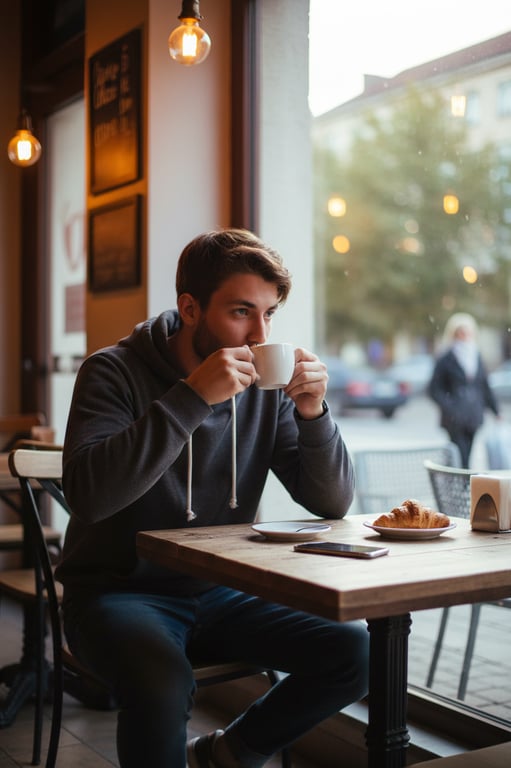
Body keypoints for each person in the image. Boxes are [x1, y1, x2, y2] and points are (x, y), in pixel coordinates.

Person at [55, 228, 369, 768]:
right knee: (160, 682)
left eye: (269, 315)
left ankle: (230, 753)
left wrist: (315, 414)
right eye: (242, 312)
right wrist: (193, 396)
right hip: (115, 592)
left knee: (356, 649)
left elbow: (332, 501)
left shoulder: (263, 394)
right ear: (190, 308)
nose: (258, 334)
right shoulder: (112, 371)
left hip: (223, 589)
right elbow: (89, 497)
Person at [428, 312, 500, 468]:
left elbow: (484, 386)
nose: (464, 335)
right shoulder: (446, 358)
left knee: (468, 454)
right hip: (454, 418)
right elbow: (434, 389)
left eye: (467, 331)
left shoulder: (476, 356)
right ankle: (458, 485)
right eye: (460, 332)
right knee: (458, 454)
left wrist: (496, 411)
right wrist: (450, 407)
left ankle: (464, 486)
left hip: (473, 415)